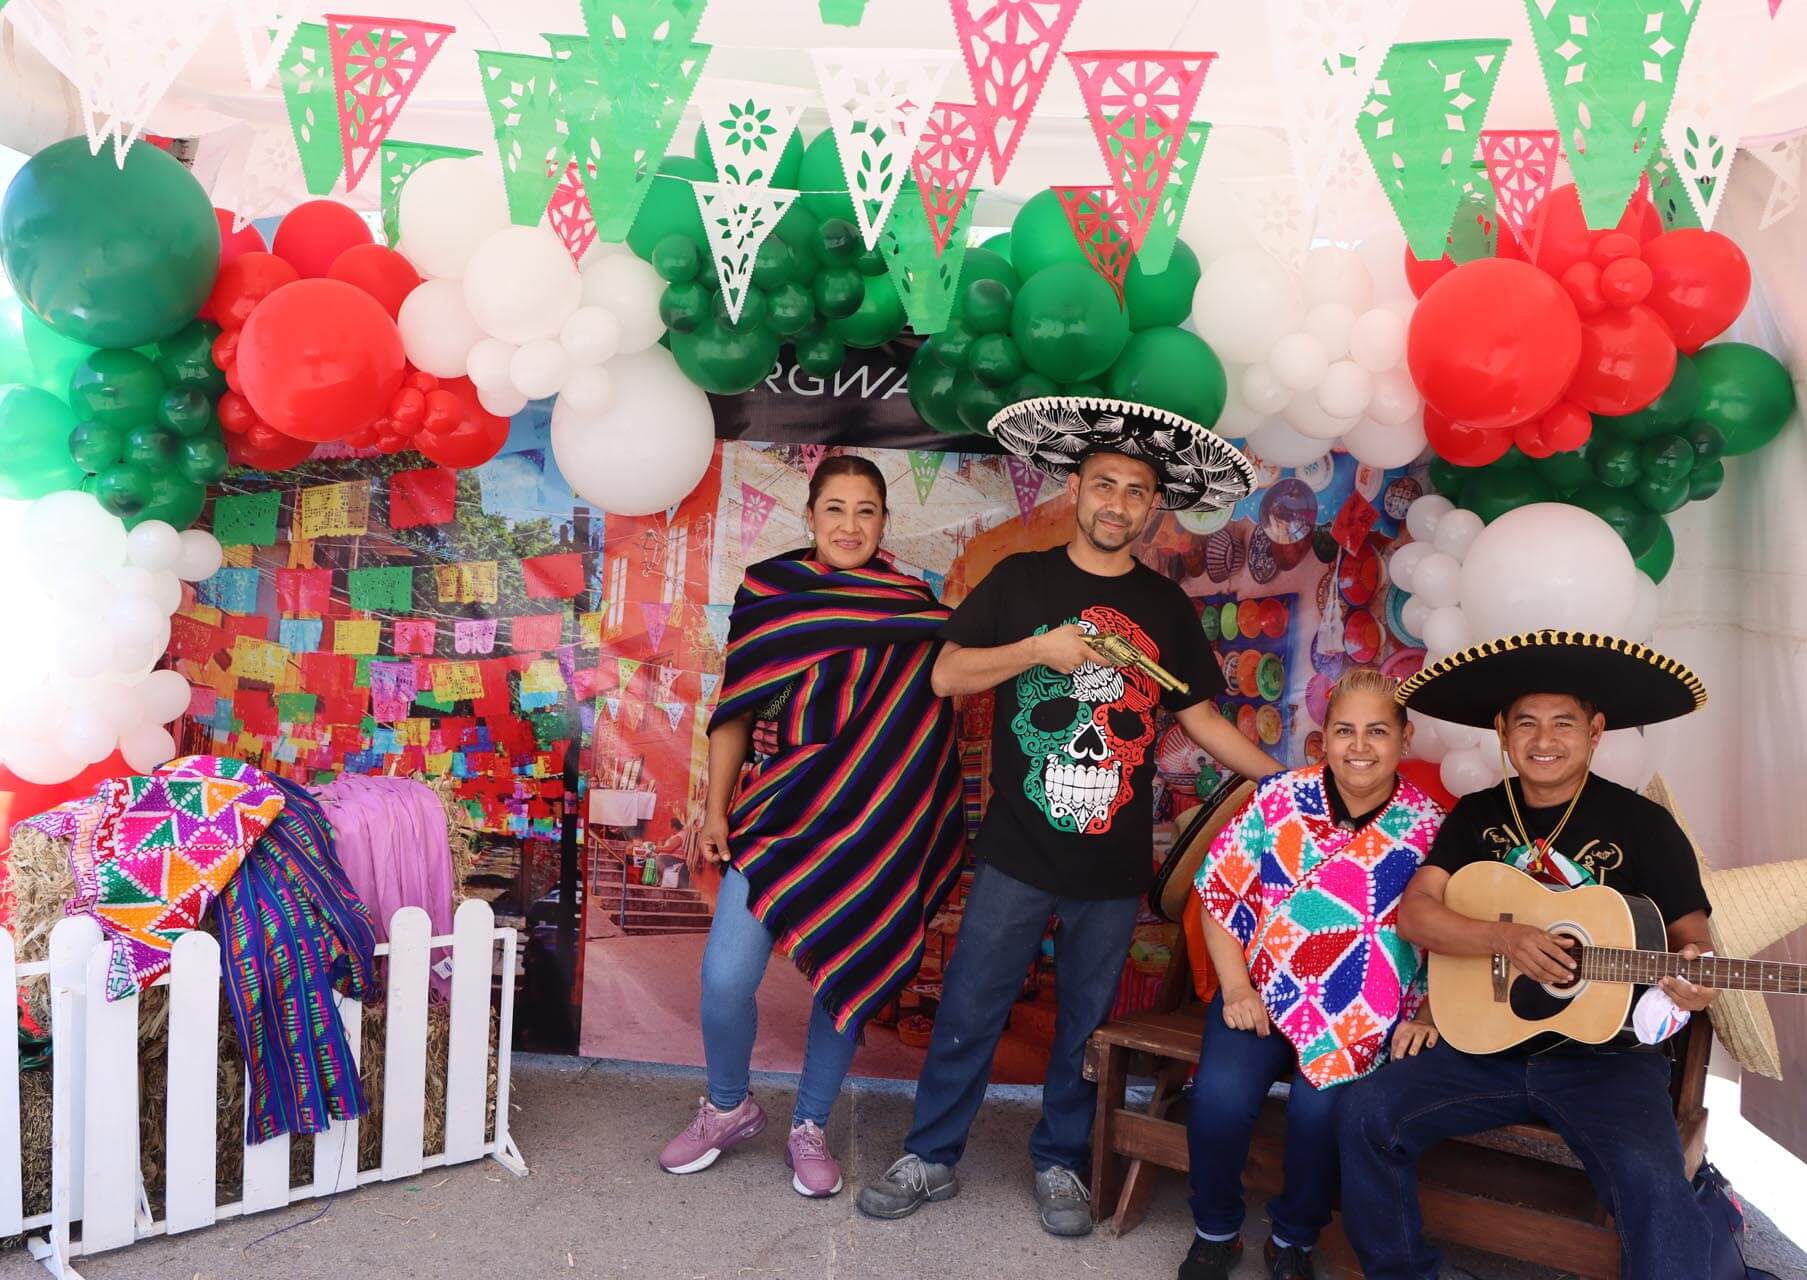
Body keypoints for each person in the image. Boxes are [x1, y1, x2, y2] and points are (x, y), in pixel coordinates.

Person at [857, 395, 1284, 1236]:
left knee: (1086, 1027)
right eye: (1104, 484)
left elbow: (1198, 719)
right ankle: (931, 1154)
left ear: (1151, 507)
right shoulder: (1022, 581)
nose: (1116, 503)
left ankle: (1060, 1161)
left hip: (1111, 866)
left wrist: (1293, 785)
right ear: (1077, 490)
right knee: (969, 1009)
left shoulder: (1165, 611)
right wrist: (1038, 652)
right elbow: (945, 676)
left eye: (1134, 490)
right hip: (1017, 851)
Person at [1338, 630, 1718, 1279]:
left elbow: (1694, 940)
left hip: (1607, 1059)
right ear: (1501, 732)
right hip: (1482, 1043)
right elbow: (1415, 913)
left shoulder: (1643, 824)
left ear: (1595, 732)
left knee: (1652, 1182)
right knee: (1365, 1114)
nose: (1544, 741)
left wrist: (1695, 979)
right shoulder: (1476, 814)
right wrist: (1500, 938)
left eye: (1563, 724)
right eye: (1526, 724)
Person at [658, 455, 965, 1199]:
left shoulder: (915, 605)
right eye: (835, 509)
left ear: (885, 523)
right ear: (811, 517)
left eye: (865, 511)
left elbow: (928, 720)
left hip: (873, 823)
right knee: (725, 978)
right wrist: (717, 809)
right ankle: (727, 1107)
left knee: (846, 978)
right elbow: (735, 710)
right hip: (779, 811)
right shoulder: (771, 592)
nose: (850, 525)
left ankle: (810, 1126)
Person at [1179, 669, 1444, 1280]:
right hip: (1263, 994)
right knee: (1218, 1100)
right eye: (1345, 730)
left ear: (1405, 739)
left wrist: (1428, 1012)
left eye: (1378, 731)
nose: (1360, 745)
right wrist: (1237, 987)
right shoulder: (1279, 800)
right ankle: (1215, 1229)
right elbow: (1220, 895)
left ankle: (1293, 1238)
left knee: (1319, 1115)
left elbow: (1451, 934)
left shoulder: (1430, 826)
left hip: (1363, 1012)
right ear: (1323, 740)